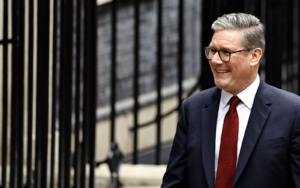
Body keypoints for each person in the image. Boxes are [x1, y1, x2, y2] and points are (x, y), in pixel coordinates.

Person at [161, 13, 300, 188]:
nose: (215, 60)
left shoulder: (293, 111)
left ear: (255, 56)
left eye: (226, 52)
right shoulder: (192, 108)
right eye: (212, 51)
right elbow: (174, 183)